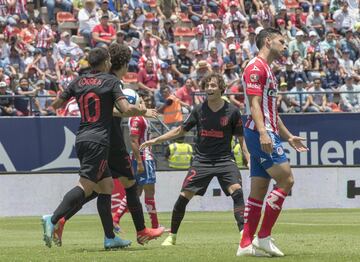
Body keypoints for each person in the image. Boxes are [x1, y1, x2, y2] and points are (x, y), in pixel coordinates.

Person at [50, 44, 164, 248]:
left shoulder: (89, 80)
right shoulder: (110, 81)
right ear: (122, 64)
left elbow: (59, 103)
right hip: (108, 139)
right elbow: (111, 110)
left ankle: (104, 234)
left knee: (102, 187)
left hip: (94, 137)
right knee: (128, 183)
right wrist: (140, 111)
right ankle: (141, 230)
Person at [140, 72, 248, 250]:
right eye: (207, 86)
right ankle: (172, 235)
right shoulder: (198, 110)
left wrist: (247, 156)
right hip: (202, 161)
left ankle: (244, 234)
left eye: (213, 85)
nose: (209, 89)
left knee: (237, 192)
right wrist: (155, 140)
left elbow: (241, 137)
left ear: (222, 88)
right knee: (183, 197)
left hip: (224, 160)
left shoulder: (233, 111)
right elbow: (180, 130)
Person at [238, 28, 308, 257]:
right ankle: (264, 236)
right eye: (281, 41)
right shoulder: (256, 67)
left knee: (258, 190)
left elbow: (271, 110)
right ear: (268, 41)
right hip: (261, 133)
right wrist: (263, 133)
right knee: (286, 179)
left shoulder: (267, 69)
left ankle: (245, 244)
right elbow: (255, 104)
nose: (285, 45)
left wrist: (288, 136)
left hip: (266, 130)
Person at [128, 93, 159, 229]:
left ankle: (116, 219)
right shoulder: (136, 119)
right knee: (149, 191)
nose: (145, 104)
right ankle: (155, 225)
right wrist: (140, 162)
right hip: (144, 158)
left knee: (137, 191)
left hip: (143, 157)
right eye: (142, 101)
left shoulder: (142, 118)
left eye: (147, 101)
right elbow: (133, 141)